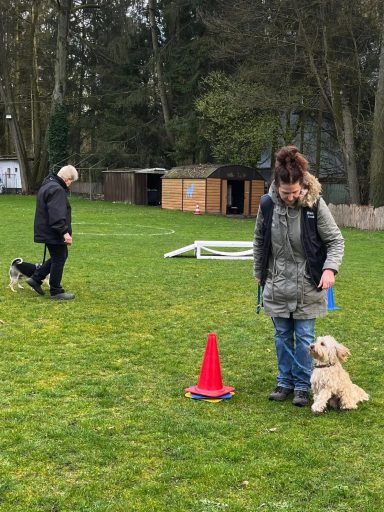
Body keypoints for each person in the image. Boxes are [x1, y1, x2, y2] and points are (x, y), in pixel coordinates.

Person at [253, 145, 344, 406]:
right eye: (285, 192)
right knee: (281, 335)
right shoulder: (268, 204)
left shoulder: (315, 205)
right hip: (277, 282)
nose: (290, 197)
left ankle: (304, 385)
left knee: (305, 337)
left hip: (308, 283)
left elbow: (336, 241)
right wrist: (259, 272)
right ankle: (284, 382)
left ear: (302, 186)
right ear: (276, 186)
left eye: (294, 192)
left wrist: (329, 269)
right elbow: (260, 240)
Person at [27, 165, 78, 301]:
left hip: (47, 229)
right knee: (59, 258)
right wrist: (64, 232)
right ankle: (56, 291)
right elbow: (56, 214)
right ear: (67, 179)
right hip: (53, 231)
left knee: (59, 256)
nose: (70, 184)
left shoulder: (48, 185)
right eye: (71, 181)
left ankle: (36, 278)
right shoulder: (56, 189)